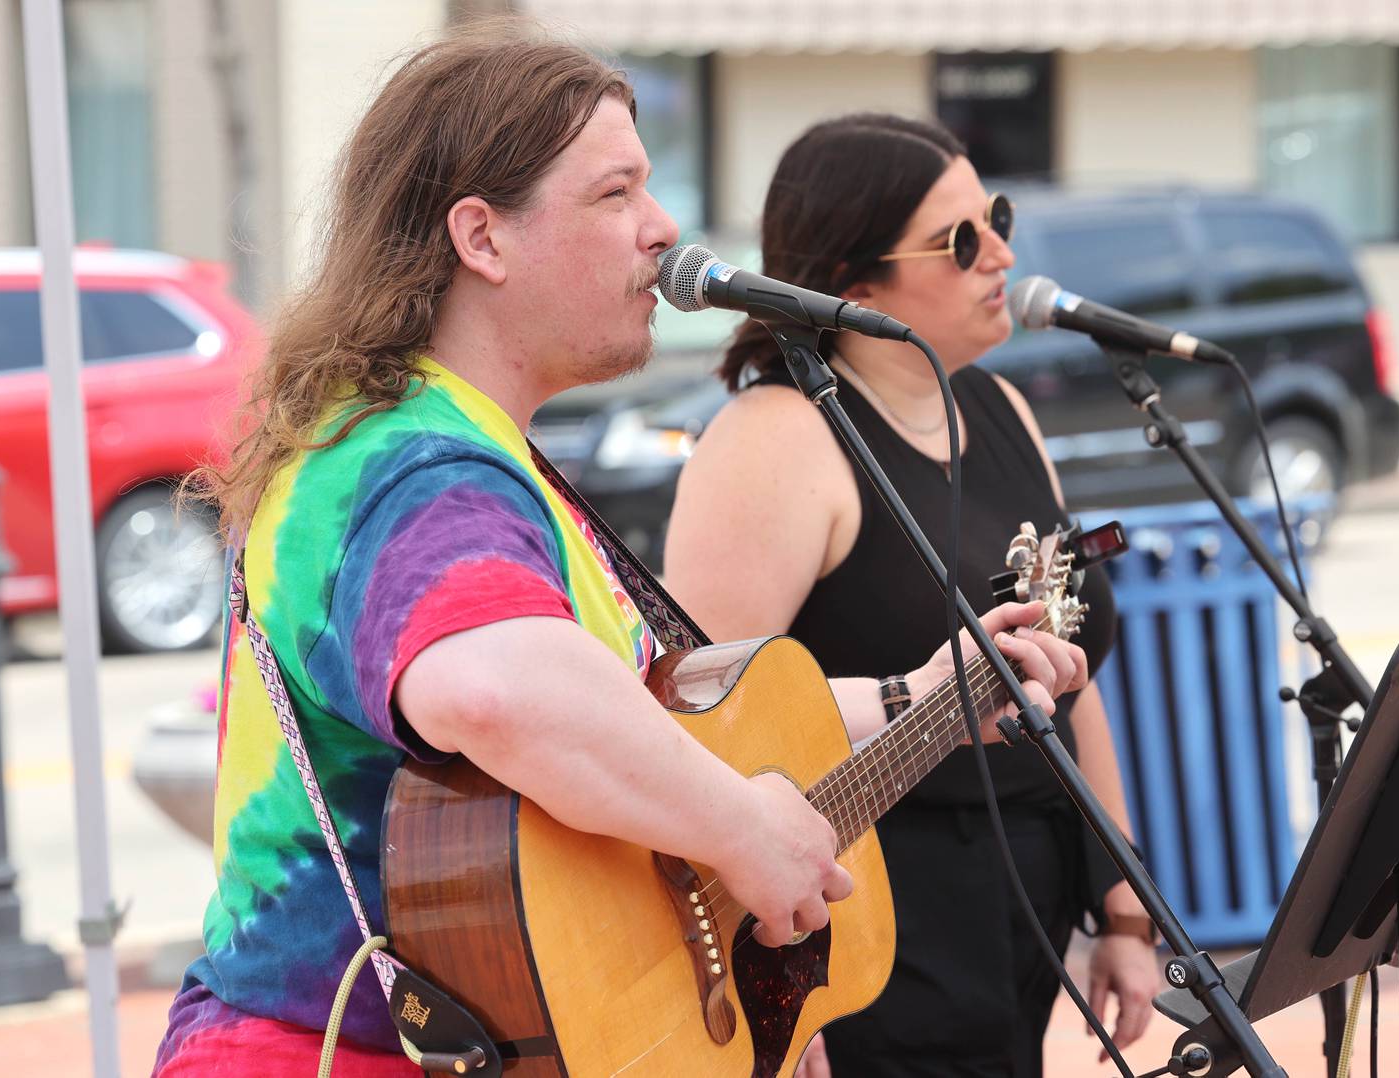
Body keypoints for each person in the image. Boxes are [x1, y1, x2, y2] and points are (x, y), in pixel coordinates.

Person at [152, 29, 1087, 1077]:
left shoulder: (478, 452)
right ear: (483, 238)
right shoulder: (407, 464)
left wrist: (926, 696)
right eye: (616, 193)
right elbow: (501, 692)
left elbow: (669, 719)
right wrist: (741, 830)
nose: (663, 227)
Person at [664, 114, 1162, 1078]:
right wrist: (782, 996)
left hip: (1021, 894)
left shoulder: (998, 407)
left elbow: (1068, 673)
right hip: (861, 916)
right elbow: (707, 731)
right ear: (854, 286)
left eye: (998, 217)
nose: (1002, 255)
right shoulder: (774, 442)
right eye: (962, 239)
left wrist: (1125, 909)